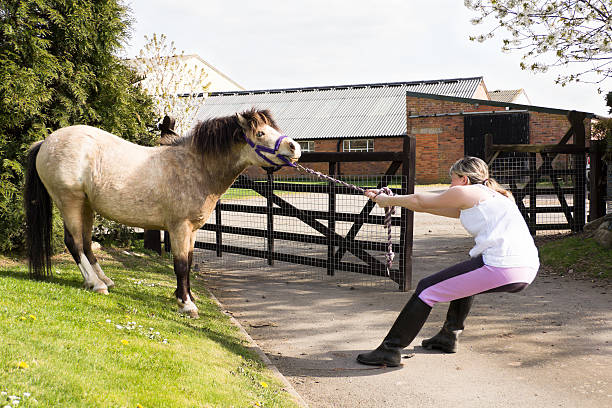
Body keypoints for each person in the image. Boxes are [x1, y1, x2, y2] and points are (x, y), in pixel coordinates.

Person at [357, 156, 539, 367]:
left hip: (501, 265)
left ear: (463, 179)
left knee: (426, 289)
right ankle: (448, 336)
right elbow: (426, 206)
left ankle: (390, 350)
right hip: (524, 268)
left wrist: (388, 201)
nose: (450, 185)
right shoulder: (493, 196)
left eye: (452, 179)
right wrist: (389, 197)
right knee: (465, 278)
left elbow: (420, 201)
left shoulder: (467, 192)